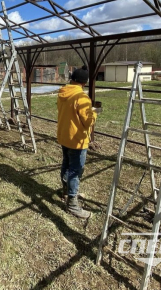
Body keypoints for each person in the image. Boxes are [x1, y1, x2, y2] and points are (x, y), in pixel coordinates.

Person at [57, 65, 96, 219]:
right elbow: (88, 123)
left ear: (72, 79)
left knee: (66, 164)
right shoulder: (82, 98)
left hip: (64, 136)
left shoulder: (63, 93)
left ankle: (66, 192)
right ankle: (72, 204)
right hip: (77, 140)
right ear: (84, 83)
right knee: (76, 170)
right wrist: (94, 113)